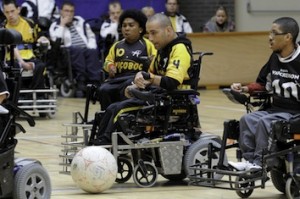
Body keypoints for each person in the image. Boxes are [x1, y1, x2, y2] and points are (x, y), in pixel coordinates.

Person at [91, 13, 193, 145]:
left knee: (119, 110)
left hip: (171, 99)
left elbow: (171, 82)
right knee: (112, 107)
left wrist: (147, 77)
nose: (150, 38)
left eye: (153, 33)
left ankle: (104, 145)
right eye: (148, 34)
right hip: (157, 96)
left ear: (168, 30)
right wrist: (136, 85)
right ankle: (98, 144)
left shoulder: (179, 49)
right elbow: (150, 75)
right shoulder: (163, 50)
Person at [229, 17, 300, 171]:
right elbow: (262, 83)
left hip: (295, 112)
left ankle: (260, 162)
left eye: (274, 33)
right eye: (270, 32)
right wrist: (244, 89)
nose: (270, 37)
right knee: (247, 119)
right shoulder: (274, 57)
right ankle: (249, 161)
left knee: (265, 122)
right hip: (276, 109)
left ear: (288, 37)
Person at [97, 9, 156, 110]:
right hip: (117, 79)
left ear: (140, 29)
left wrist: (150, 64)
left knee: (126, 87)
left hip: (135, 80)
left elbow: (155, 61)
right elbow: (107, 61)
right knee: (103, 89)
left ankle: (123, 116)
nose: (126, 29)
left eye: (131, 25)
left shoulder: (148, 45)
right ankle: (105, 116)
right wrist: (110, 67)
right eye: (124, 26)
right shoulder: (117, 45)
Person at [49, 1, 102, 97]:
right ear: (61, 12)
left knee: (92, 51)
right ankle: (80, 83)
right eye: (66, 11)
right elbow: (55, 39)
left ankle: (95, 84)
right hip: (66, 53)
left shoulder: (80, 21)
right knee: (77, 50)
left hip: (85, 49)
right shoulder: (55, 25)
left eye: (71, 11)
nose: (69, 14)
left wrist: (91, 46)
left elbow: (91, 36)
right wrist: (62, 25)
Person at [2, 0, 46, 90]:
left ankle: (36, 93)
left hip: (30, 56)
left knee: (40, 66)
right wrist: (22, 62)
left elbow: (40, 36)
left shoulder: (30, 23)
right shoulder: (3, 28)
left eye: (12, 11)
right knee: (15, 67)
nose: (10, 15)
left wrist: (43, 39)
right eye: (7, 12)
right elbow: (10, 47)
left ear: (18, 9)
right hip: (12, 58)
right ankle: (18, 94)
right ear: (4, 13)